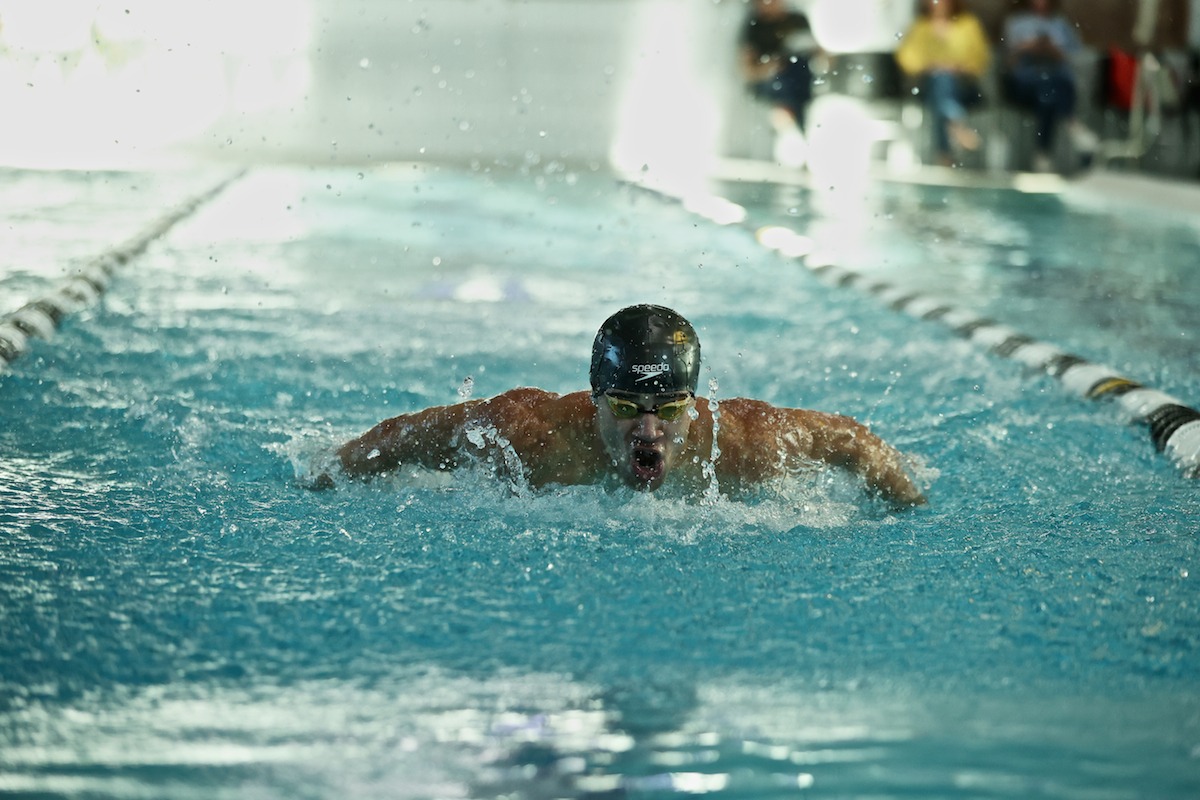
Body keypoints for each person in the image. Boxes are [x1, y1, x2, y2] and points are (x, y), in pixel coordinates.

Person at [329, 304, 926, 507]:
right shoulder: (534, 437)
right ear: (594, 400)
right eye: (627, 405)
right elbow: (409, 436)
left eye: (667, 409)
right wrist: (331, 474)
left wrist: (909, 502)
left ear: (692, 404)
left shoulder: (744, 445)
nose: (648, 428)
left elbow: (847, 439)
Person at [1001, 0, 1098, 172]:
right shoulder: (1016, 23)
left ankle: (1043, 155)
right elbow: (1007, 63)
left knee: (1049, 93)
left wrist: (1053, 51)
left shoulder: (1061, 25)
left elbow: (1075, 61)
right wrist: (1025, 48)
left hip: (1054, 81)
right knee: (1048, 86)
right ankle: (1072, 124)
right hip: (1025, 82)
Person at [895, 0, 992, 166]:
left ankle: (944, 155)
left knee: (942, 89)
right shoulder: (921, 27)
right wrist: (932, 66)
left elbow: (981, 57)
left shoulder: (968, 25)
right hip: (929, 85)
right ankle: (956, 125)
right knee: (941, 83)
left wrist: (957, 67)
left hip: (963, 87)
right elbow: (906, 58)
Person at [738, 0, 819, 162]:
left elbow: (816, 53)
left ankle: (791, 131)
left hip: (799, 79)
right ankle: (793, 131)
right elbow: (748, 71)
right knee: (783, 84)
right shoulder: (755, 26)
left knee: (795, 72)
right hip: (770, 81)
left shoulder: (798, 20)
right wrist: (770, 67)